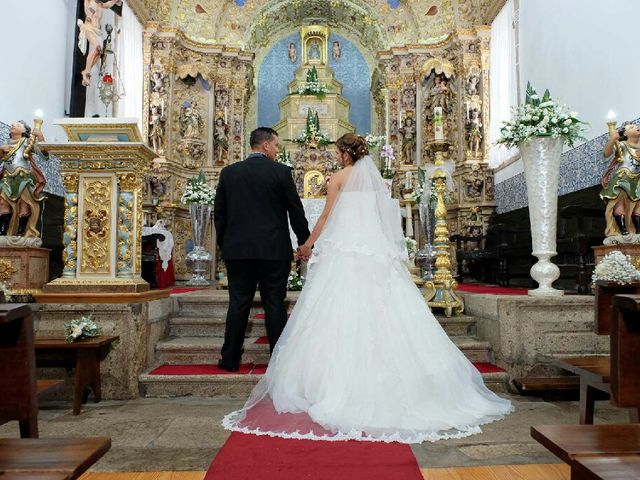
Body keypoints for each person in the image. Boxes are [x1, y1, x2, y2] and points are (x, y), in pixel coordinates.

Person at [223, 133, 512, 443]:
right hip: (371, 251)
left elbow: (325, 215)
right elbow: (382, 216)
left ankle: (241, 360)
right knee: (376, 308)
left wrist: (307, 244)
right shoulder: (375, 182)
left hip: (328, 251)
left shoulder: (332, 177)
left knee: (287, 306)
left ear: (345, 154)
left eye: (336, 152)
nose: (334, 157)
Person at [214, 127, 310, 372]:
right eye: (276, 145)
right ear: (266, 145)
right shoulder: (280, 172)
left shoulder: (229, 173)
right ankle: (277, 362)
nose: (277, 150)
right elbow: (295, 212)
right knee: (274, 303)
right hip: (273, 250)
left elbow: (220, 214)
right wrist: (304, 242)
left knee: (238, 303)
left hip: (238, 251)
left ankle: (230, 359)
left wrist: (225, 245)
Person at [0, 121, 48, 237]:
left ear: (24, 131)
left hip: (23, 178)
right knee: (2, 202)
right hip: (7, 178)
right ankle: (3, 231)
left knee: (24, 204)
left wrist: (40, 136)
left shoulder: (27, 142)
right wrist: (1, 150)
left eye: (17, 125)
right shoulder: (5, 143)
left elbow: (44, 155)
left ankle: (22, 232)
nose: (13, 125)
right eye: (12, 124)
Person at [601, 122, 640, 236]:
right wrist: (613, 139)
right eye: (632, 127)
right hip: (622, 179)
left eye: (636, 126)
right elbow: (606, 155)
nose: (637, 127)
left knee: (638, 205)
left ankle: (637, 230)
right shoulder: (622, 145)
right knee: (619, 204)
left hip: (638, 180)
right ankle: (623, 230)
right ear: (626, 134)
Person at [77, 0, 123, 87]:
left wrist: (115, 1)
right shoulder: (89, 1)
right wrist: (88, 14)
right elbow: (87, 8)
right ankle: (86, 72)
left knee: (99, 52)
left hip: (98, 31)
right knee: (96, 47)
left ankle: (87, 71)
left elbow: (109, 4)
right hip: (89, 28)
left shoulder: (101, 5)